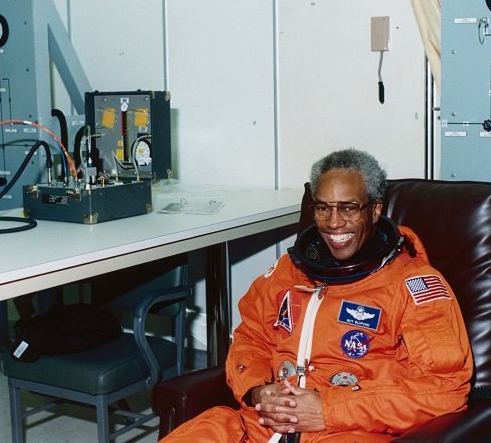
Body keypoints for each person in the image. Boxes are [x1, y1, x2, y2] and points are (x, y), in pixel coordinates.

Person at [162, 149, 473, 442]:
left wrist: (329, 409)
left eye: (349, 208)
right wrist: (257, 389)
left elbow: (444, 389)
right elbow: (251, 338)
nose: (334, 222)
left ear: (375, 210)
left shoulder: (414, 285)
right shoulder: (289, 270)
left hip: (346, 429)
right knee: (212, 426)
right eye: (323, 207)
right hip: (264, 424)